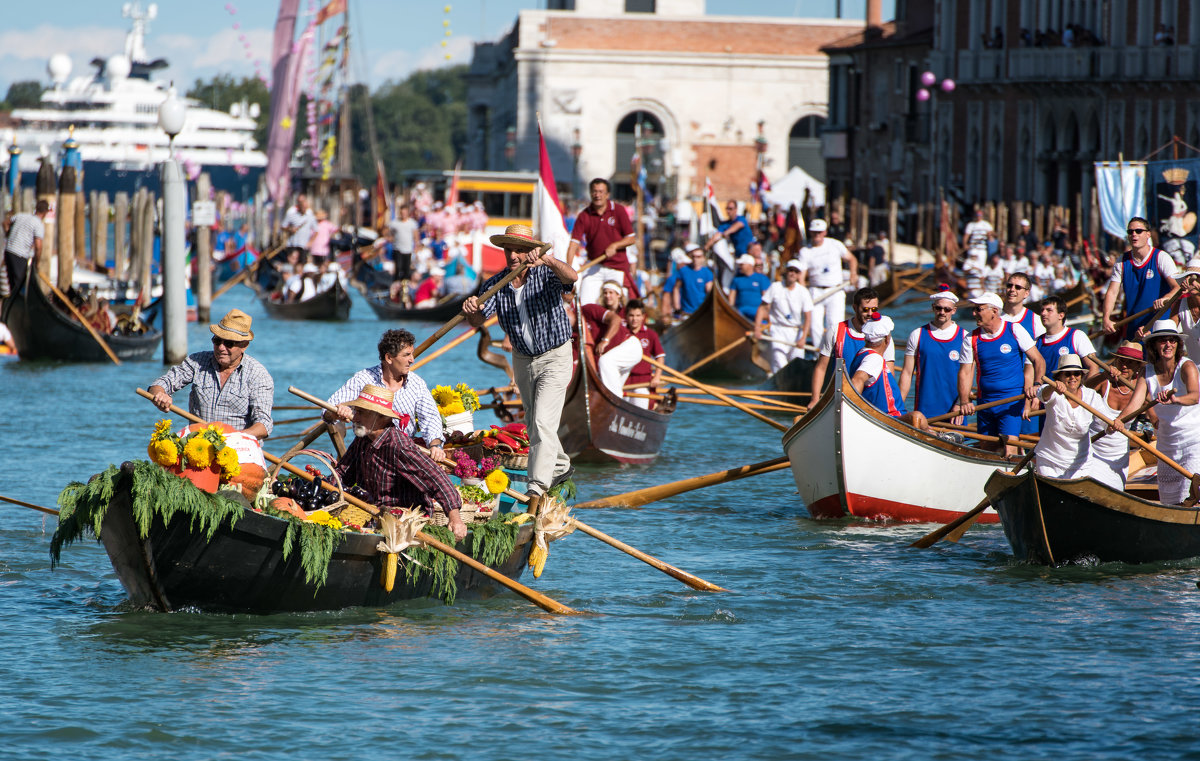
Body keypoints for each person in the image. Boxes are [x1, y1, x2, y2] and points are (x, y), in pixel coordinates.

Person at [463, 223, 577, 517]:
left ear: (529, 251)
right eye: (509, 249)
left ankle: (536, 487)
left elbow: (572, 278)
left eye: (519, 249)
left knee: (541, 421)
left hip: (556, 355)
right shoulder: (496, 284)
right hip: (522, 360)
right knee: (535, 424)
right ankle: (561, 465)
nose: (513, 255)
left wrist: (548, 259)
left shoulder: (546, 273)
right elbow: (478, 321)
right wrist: (472, 310)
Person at [333, 384, 466, 541]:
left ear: (382, 418)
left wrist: (455, 519)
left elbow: (437, 478)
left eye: (361, 413)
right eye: (356, 412)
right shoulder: (362, 439)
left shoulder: (399, 446)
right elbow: (342, 474)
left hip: (403, 521)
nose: (355, 418)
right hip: (370, 514)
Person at [148, 309, 274, 439]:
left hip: (238, 450)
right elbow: (161, 384)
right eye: (217, 341)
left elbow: (263, 425)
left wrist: (234, 437)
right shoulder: (197, 361)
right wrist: (159, 394)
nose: (221, 347)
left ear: (244, 345)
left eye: (229, 343)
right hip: (198, 447)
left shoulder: (258, 375)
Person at [325, 328, 446, 461]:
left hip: (404, 454)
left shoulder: (417, 384)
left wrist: (435, 446)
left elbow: (430, 418)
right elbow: (327, 410)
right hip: (368, 454)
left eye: (412, 354)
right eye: (406, 355)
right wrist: (338, 411)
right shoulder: (364, 379)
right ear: (389, 358)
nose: (412, 360)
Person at [1114, 321, 1200, 504]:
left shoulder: (1187, 366)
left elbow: (1194, 396)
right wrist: (1118, 420)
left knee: (1188, 498)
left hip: (1192, 442)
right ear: (1154, 345)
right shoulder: (1147, 371)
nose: (1168, 345)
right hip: (1166, 444)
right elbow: (1135, 403)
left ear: (1177, 344)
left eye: (1172, 340)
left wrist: (1176, 400)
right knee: (1168, 502)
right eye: (1163, 341)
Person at [954, 293, 1045, 455]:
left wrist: (1037, 385)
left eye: (979, 309)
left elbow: (1038, 360)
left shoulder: (1014, 329)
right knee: (987, 451)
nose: (974, 313)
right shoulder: (971, 338)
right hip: (985, 403)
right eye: (974, 309)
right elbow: (965, 372)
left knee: (1009, 449)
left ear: (994, 311)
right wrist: (965, 401)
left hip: (1011, 403)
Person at [1102, 217, 1180, 340]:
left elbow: (1177, 287)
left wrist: (1166, 298)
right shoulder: (1121, 261)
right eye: (1130, 232)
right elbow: (1112, 292)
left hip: (1158, 326)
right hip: (1133, 326)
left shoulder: (1161, 258)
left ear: (1148, 234)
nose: (1134, 234)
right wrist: (1106, 318)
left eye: (1138, 231)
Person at [1081, 341, 1145, 489]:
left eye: (1130, 363)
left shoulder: (1141, 389)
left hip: (1118, 455)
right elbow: (1083, 389)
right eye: (1122, 360)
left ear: (1137, 367)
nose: (1124, 366)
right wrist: (1104, 375)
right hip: (1092, 450)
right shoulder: (1105, 382)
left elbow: (1155, 419)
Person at [849, 315, 930, 429]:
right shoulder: (874, 358)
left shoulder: (861, 354)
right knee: (917, 416)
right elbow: (857, 380)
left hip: (886, 418)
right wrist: (853, 414)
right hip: (888, 419)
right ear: (887, 339)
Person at [809, 287, 892, 398]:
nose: (870, 314)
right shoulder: (836, 331)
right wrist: (815, 399)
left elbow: (889, 371)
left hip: (871, 399)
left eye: (874, 310)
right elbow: (821, 368)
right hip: (840, 396)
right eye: (865, 309)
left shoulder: (884, 335)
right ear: (855, 308)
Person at [899, 287, 965, 420]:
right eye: (938, 308)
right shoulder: (917, 334)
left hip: (954, 411)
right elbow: (906, 373)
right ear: (933, 308)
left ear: (954, 311)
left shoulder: (965, 337)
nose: (942, 312)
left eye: (947, 309)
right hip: (924, 409)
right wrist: (897, 407)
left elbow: (968, 375)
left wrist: (961, 403)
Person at [1031, 355, 1100, 478]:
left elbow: (1105, 420)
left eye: (1076, 374)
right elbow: (1042, 394)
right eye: (1067, 374)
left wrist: (1113, 426)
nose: (1072, 377)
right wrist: (1053, 387)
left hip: (1081, 464)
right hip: (1049, 461)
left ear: (1081, 376)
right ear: (1059, 377)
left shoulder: (1092, 396)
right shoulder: (1052, 393)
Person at [567, 178, 638, 297]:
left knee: (615, 304)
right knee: (585, 303)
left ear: (607, 194)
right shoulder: (584, 215)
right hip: (594, 265)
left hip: (617, 268)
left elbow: (631, 238)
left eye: (601, 192)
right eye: (594, 191)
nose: (597, 195)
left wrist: (615, 245)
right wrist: (568, 270)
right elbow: (573, 244)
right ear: (590, 193)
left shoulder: (618, 210)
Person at [798, 218, 857, 351]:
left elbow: (852, 259)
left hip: (835, 289)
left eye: (819, 232)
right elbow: (801, 277)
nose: (817, 235)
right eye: (814, 232)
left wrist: (853, 274)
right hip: (815, 291)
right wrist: (804, 295)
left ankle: (835, 353)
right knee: (815, 326)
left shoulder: (835, 244)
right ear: (810, 233)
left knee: (834, 324)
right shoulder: (805, 251)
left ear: (824, 232)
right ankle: (819, 355)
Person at [753, 259, 813, 373]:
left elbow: (808, 317)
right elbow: (762, 308)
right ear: (786, 271)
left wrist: (803, 338)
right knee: (779, 360)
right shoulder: (775, 287)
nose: (792, 273)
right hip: (778, 330)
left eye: (796, 271)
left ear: (799, 275)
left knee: (797, 363)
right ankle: (780, 383)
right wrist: (757, 328)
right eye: (790, 270)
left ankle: (793, 387)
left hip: (796, 331)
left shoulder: (803, 292)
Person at [578, 295, 642, 398]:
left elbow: (616, 319)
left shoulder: (588, 309)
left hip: (629, 345)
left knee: (605, 361)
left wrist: (605, 340)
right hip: (614, 358)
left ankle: (615, 405)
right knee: (609, 388)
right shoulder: (568, 332)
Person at [1035, 294, 1098, 378]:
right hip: (1046, 389)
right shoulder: (1036, 342)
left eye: (1049, 310)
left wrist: (1084, 390)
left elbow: (1093, 368)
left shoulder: (1077, 336)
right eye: (1042, 310)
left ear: (1061, 315)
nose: (1043, 313)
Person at [1, 200, 49, 306]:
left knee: (12, 284)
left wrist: (8, 234)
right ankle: (17, 307)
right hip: (19, 255)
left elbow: (5, 223)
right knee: (19, 285)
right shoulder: (38, 224)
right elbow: (38, 246)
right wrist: (37, 263)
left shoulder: (21, 216)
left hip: (8, 251)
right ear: (45, 212)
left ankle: (12, 306)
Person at [623, 299, 664, 409]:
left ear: (643, 316)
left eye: (637, 315)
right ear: (626, 316)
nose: (634, 319)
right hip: (623, 381)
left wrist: (657, 377)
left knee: (640, 411)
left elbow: (659, 357)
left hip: (642, 382)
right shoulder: (620, 333)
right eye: (631, 315)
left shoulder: (650, 334)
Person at [671, 243, 713, 318]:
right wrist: (677, 307)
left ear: (703, 258)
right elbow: (676, 288)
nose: (695, 259)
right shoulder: (684, 271)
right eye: (693, 256)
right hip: (686, 311)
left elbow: (709, 292)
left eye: (698, 257)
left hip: (701, 311)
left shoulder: (707, 273)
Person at [728, 253, 771, 323]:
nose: (740, 266)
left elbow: (766, 298)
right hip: (741, 311)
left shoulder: (762, 278)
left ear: (749, 265)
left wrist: (768, 314)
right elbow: (731, 299)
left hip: (757, 311)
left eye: (742, 264)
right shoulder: (736, 279)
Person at [1001, 273, 1046, 339]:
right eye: (1009, 286)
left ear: (1026, 293)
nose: (1012, 289)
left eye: (1018, 287)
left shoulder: (1035, 321)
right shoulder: (994, 316)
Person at [389, 204, 420, 283]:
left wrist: (416, 246)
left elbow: (416, 235)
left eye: (405, 212)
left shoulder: (412, 223)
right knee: (398, 267)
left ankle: (405, 284)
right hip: (398, 248)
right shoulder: (395, 223)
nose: (403, 214)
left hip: (408, 249)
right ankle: (396, 283)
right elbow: (390, 233)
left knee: (406, 269)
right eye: (402, 213)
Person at [281, 193, 317, 258]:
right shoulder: (291, 212)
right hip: (293, 244)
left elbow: (316, 230)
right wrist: (290, 229)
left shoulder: (310, 213)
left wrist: (310, 242)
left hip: (303, 245)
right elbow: (283, 226)